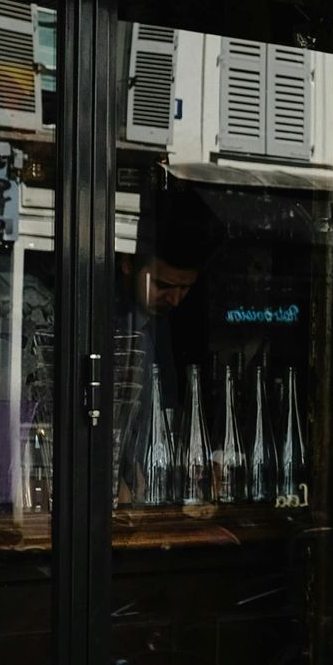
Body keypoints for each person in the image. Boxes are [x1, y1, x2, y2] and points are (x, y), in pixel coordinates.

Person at [114, 184, 216, 504]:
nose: (175, 299)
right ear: (127, 262)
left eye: (185, 289)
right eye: (163, 284)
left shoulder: (162, 323)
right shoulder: (100, 322)